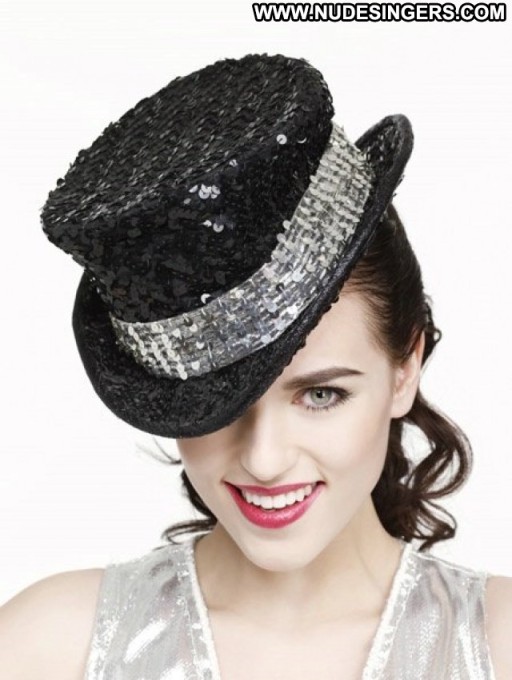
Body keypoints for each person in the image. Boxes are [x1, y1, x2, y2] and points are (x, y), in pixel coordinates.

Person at [0, 53, 510, 679]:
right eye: (221, 404)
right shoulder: (48, 647)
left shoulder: (498, 644)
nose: (265, 461)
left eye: (320, 395)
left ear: (405, 367)